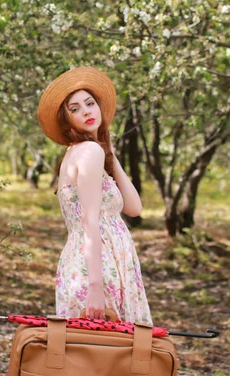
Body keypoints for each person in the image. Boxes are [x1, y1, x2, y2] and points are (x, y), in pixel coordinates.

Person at [37, 67, 152, 325]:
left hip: (93, 262)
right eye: (75, 109)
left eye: (90, 103)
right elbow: (90, 223)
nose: (86, 111)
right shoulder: (89, 152)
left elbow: (134, 208)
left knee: (91, 355)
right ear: (66, 121)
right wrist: (96, 287)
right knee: (107, 355)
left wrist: (110, 153)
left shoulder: (86, 151)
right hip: (99, 266)